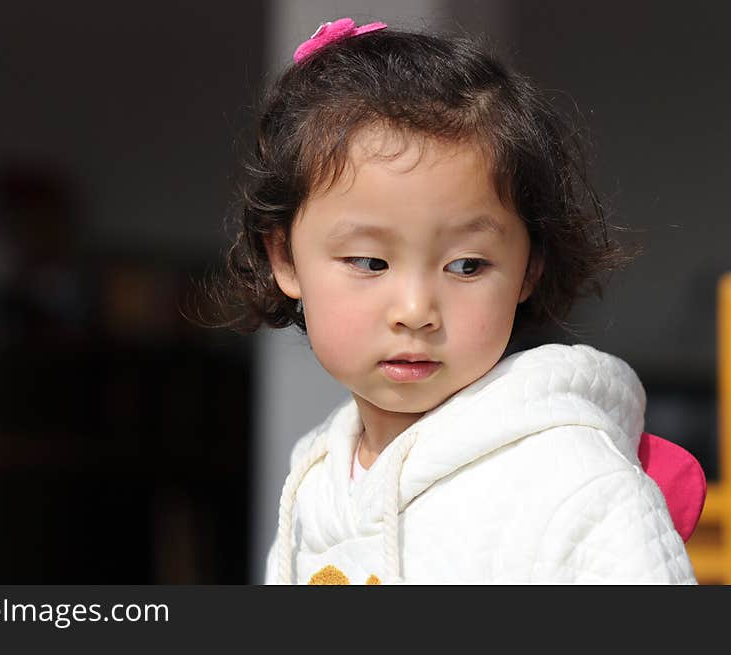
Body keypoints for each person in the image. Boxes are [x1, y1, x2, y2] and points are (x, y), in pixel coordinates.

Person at [195, 18, 698, 583]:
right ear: (286, 258)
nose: (415, 310)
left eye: (466, 266)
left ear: (528, 267)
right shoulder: (316, 476)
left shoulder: (574, 480)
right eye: (370, 262)